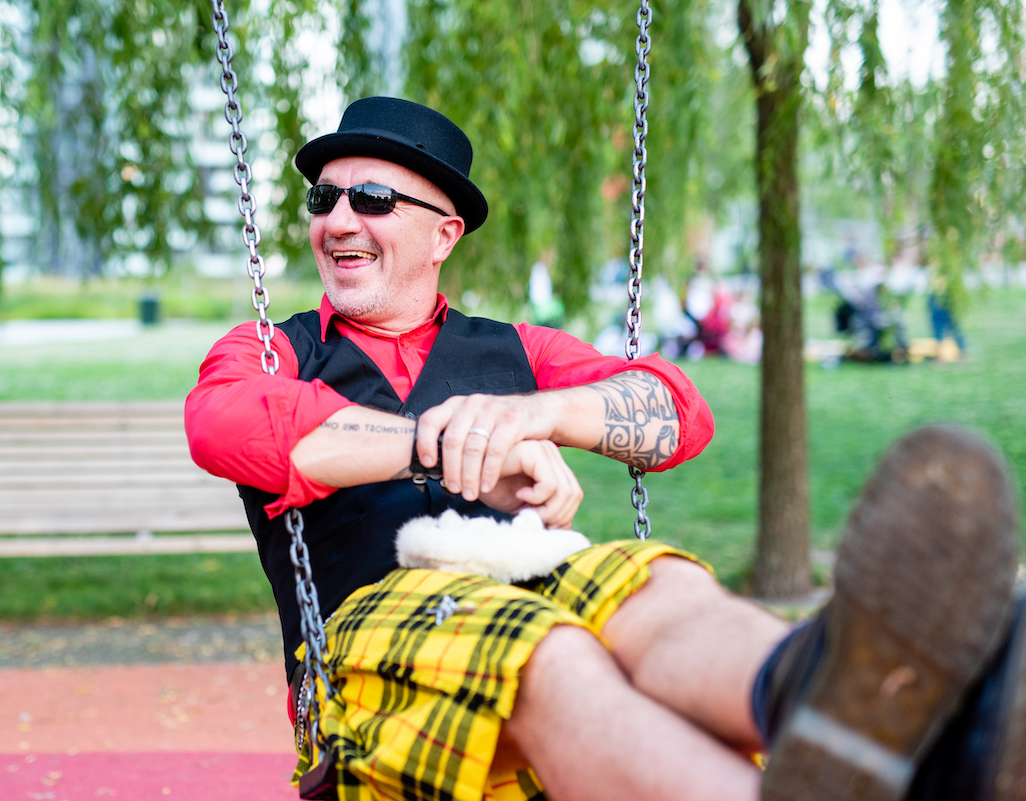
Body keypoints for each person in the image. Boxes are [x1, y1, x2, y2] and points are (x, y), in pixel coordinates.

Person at [185, 97, 1025, 801]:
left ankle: (856, 707)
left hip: (528, 577)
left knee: (652, 583)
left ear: (443, 234)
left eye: (370, 200)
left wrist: (545, 416)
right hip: (364, 661)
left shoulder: (517, 351)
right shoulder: (273, 351)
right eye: (323, 199)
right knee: (547, 651)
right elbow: (229, 425)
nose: (336, 221)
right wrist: (456, 443)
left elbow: (674, 407)